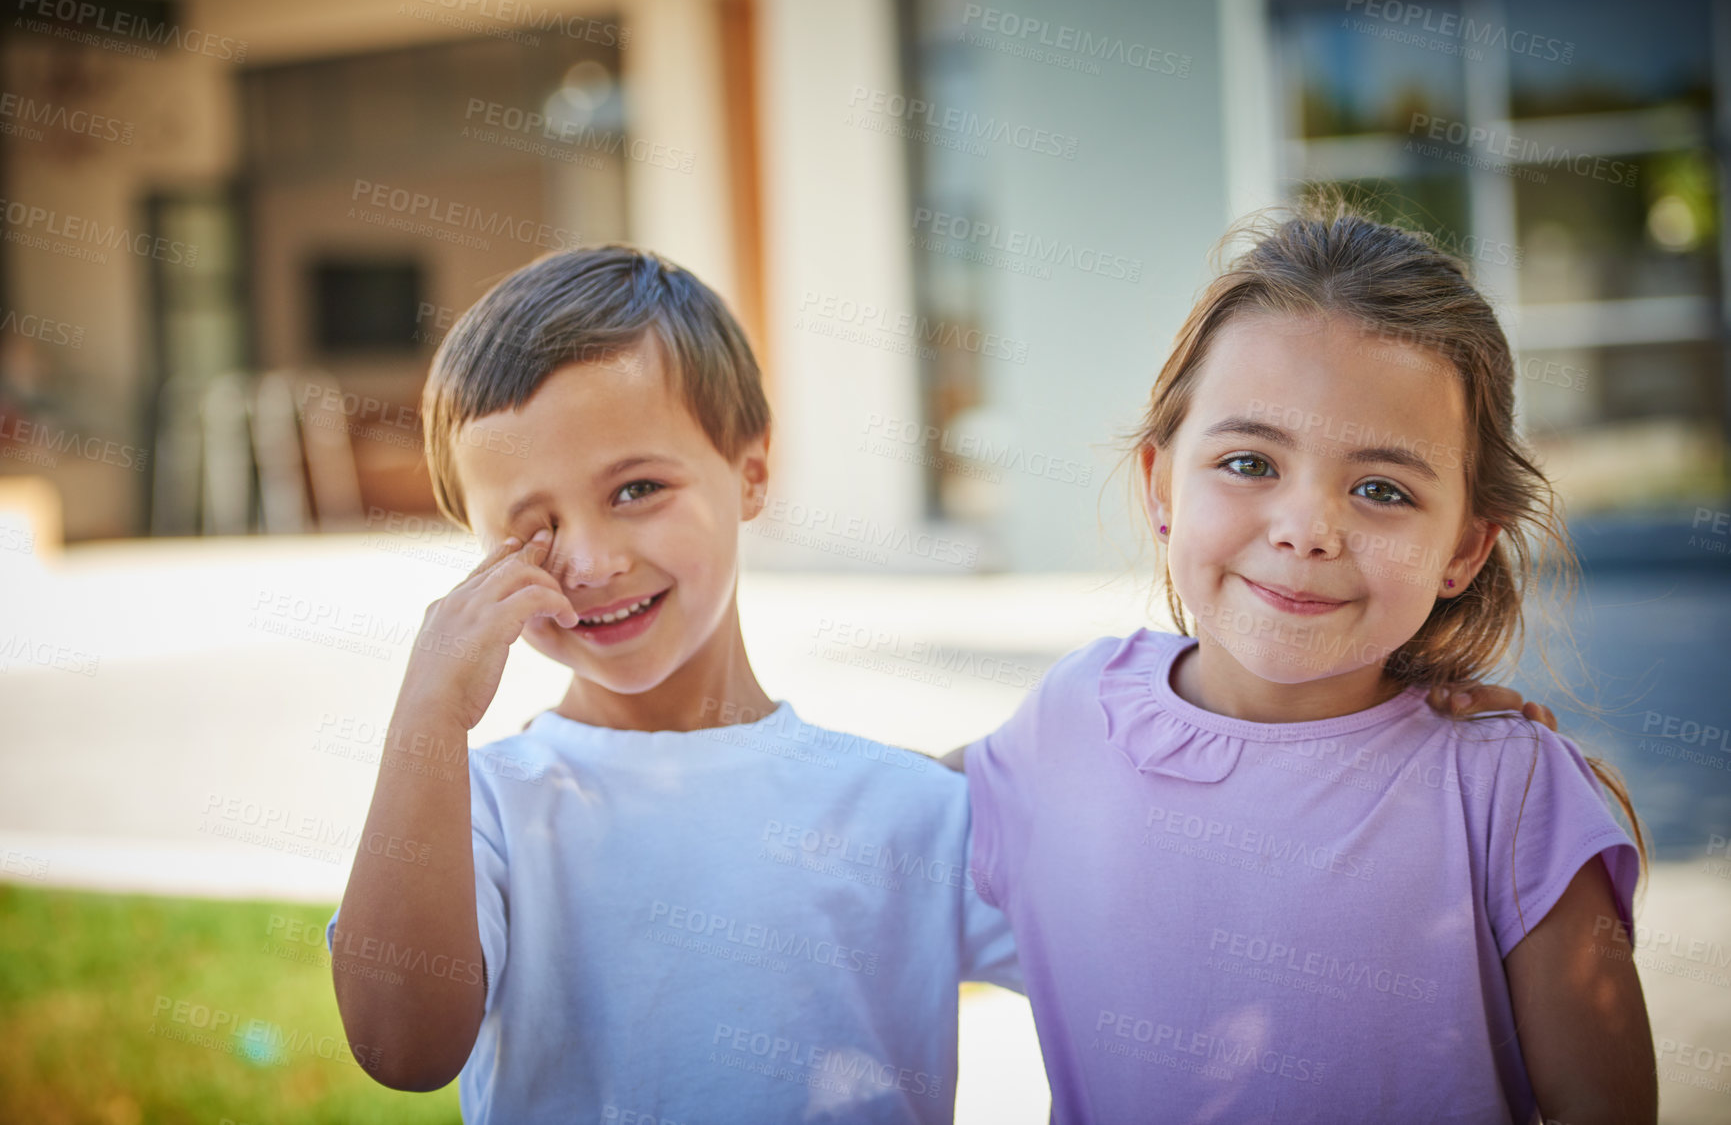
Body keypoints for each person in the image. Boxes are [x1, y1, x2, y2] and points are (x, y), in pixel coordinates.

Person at [955, 206, 1655, 1124]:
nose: (1305, 529)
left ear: (1464, 547)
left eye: (1380, 489)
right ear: (1162, 486)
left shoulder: (1507, 792)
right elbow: (856, 843)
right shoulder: (1070, 718)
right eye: (1248, 461)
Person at [324, 245, 1020, 1124]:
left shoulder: (908, 807)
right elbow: (398, 1047)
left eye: (637, 488)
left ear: (752, 473)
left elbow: (1148, 974)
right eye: (531, 528)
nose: (590, 560)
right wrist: (426, 716)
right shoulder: (486, 808)